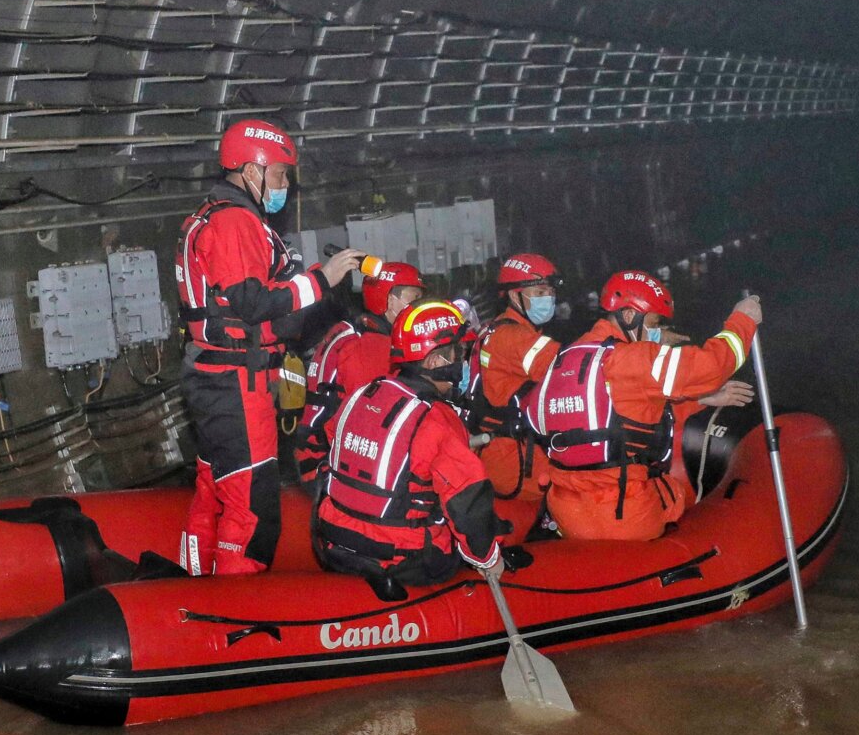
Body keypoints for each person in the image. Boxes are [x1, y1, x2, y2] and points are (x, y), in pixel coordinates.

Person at [175, 118, 364, 575]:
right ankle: (234, 618)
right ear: (251, 170)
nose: (285, 187)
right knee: (251, 509)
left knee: (212, 489)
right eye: (280, 175)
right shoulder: (235, 221)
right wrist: (321, 281)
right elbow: (252, 302)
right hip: (237, 384)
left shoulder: (209, 215)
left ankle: (194, 582)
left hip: (213, 378)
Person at [531, 270, 761, 542]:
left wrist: (697, 400)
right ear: (629, 316)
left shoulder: (567, 359)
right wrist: (743, 320)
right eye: (654, 323)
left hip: (566, 512)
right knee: (675, 491)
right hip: (623, 514)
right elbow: (712, 366)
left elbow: (619, 418)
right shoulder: (630, 358)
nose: (657, 332)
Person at [314, 300, 516, 595]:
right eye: (458, 353)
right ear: (434, 362)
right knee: (472, 535)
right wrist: (489, 559)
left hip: (335, 541)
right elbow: (467, 502)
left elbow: (338, 441)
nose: (462, 363)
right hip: (402, 557)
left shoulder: (364, 394)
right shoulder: (436, 417)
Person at [294, 260, 424, 482]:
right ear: (391, 300)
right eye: (415, 299)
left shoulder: (353, 331)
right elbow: (368, 422)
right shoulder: (371, 347)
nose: (419, 308)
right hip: (327, 463)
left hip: (317, 451)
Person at [469, 253, 561, 502]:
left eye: (551, 292)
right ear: (513, 295)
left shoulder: (497, 328)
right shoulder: (513, 337)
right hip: (518, 461)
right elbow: (567, 367)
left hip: (501, 451)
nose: (549, 299)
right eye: (540, 292)